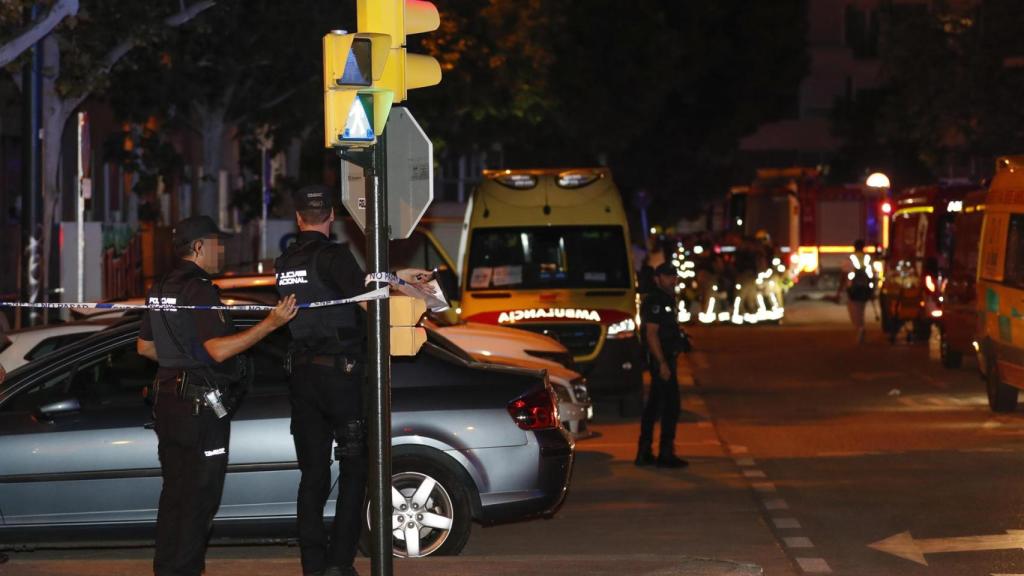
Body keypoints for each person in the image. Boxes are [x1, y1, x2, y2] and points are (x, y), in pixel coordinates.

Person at [137, 215, 297, 576]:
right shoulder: (199, 288)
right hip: (198, 409)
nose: (221, 249)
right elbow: (220, 350)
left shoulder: (160, 284)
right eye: (216, 242)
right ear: (198, 247)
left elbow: (145, 347)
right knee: (199, 500)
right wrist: (271, 324)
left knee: (175, 495)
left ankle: (167, 570)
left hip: (168, 402)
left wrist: (183, 359)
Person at [275, 186, 370, 576]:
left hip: (303, 377)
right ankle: (339, 563)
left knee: (312, 474)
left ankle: (312, 565)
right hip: (341, 376)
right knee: (354, 468)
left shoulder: (284, 263)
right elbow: (367, 301)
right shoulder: (334, 256)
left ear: (298, 218)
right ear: (331, 216)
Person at [636, 262, 689, 469]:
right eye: (667, 276)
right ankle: (665, 453)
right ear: (657, 278)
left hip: (666, 358)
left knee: (654, 406)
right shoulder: (655, 301)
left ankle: (645, 451)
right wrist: (662, 363)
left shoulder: (666, 299)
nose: (672, 279)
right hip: (662, 360)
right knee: (671, 406)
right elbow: (651, 334)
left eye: (674, 276)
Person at [838, 239, 875, 343]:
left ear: (854, 247)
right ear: (863, 247)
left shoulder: (850, 258)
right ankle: (861, 327)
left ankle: (859, 328)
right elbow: (872, 275)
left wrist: (839, 290)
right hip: (865, 288)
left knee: (854, 310)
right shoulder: (868, 258)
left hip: (853, 288)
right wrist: (872, 289)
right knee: (861, 309)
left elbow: (844, 275)